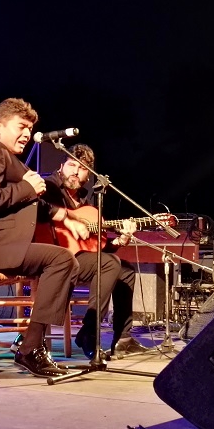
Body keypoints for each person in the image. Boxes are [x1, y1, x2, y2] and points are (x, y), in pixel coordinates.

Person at [0, 97, 87, 378]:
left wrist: (66, 218)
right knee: (62, 260)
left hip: (3, 246)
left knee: (65, 262)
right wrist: (27, 187)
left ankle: (33, 344)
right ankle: (30, 347)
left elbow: (34, 205)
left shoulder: (8, 158)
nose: (27, 134)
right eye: (21, 126)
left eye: (30, 128)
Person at [39, 144, 151, 359]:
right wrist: (67, 220)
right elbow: (37, 210)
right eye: (71, 165)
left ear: (88, 175)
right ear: (61, 166)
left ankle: (123, 338)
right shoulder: (49, 187)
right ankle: (89, 332)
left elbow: (96, 246)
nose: (75, 172)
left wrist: (120, 239)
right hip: (52, 256)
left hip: (78, 258)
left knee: (125, 270)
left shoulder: (85, 201)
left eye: (82, 168)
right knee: (108, 263)